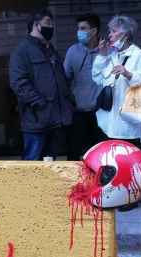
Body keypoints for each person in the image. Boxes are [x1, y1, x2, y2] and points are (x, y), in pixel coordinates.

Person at [9, 8, 74, 160]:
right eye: (47, 23)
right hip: (36, 121)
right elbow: (18, 82)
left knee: (50, 163)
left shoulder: (50, 49)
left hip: (56, 119)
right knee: (33, 163)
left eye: (52, 23)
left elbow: (61, 78)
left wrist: (69, 101)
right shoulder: (22, 51)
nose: (51, 27)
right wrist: (39, 103)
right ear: (36, 25)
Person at [92, 15, 141, 145]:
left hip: (129, 127)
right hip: (108, 125)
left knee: (127, 162)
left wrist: (129, 74)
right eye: (110, 31)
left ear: (126, 35)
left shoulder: (138, 55)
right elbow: (97, 78)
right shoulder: (112, 55)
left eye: (114, 31)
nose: (110, 35)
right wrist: (102, 55)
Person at [63, 13, 103, 161]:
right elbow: (64, 79)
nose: (78, 32)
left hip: (102, 113)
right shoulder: (73, 51)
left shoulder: (107, 50)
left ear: (94, 31)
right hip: (78, 112)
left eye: (82, 28)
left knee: (100, 155)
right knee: (73, 154)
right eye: (78, 28)